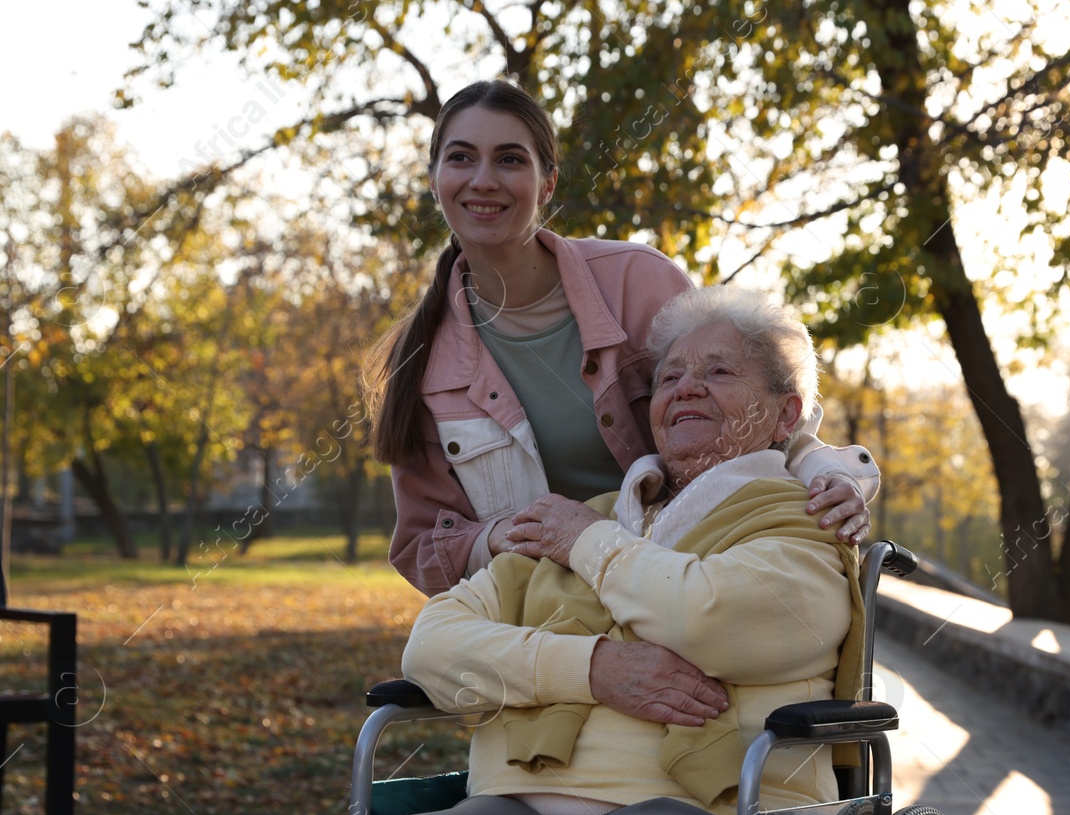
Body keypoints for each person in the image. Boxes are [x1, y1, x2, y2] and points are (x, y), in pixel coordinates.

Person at [322, 287, 866, 815]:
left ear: (785, 413)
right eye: (669, 376)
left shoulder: (802, 527)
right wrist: (591, 667)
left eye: (719, 372)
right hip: (523, 804)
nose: (686, 388)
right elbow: (435, 645)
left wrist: (588, 545)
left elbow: (704, 614)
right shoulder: (591, 517)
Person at [362, 78, 880, 602]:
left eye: (511, 160)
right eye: (461, 158)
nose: (484, 179)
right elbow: (421, 547)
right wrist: (500, 536)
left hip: (686, 579)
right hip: (544, 615)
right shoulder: (422, 361)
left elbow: (758, 411)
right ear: (434, 180)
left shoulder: (640, 283)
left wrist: (829, 475)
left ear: (547, 184)